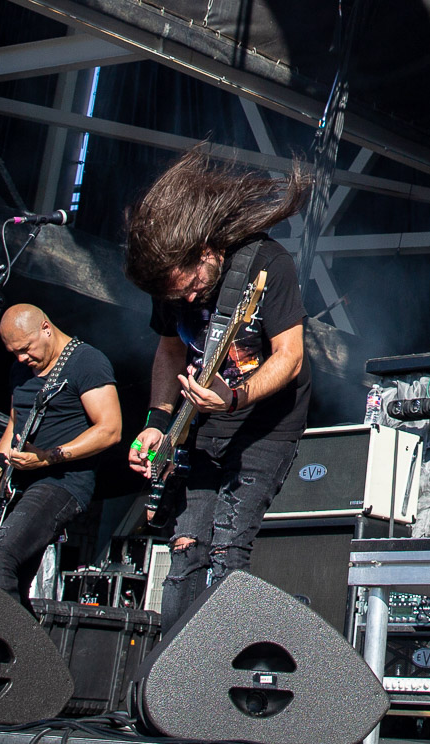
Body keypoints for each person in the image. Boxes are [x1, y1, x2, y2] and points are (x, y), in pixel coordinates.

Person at [125, 148, 312, 624]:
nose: (188, 298)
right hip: (205, 422)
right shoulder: (172, 283)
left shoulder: (267, 264)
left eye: (190, 285)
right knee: (185, 553)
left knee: (229, 547)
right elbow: (170, 352)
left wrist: (236, 396)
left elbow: (289, 358)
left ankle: (219, 671)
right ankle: (170, 679)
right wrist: (156, 423)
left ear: (206, 252)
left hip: (266, 423)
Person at [0, 304, 121, 604]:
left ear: (46, 328)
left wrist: (48, 457)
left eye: (26, 349)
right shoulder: (22, 368)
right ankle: (18, 647)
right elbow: (16, 423)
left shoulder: (86, 361)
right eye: (14, 352)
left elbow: (110, 429)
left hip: (63, 483)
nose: (21, 358)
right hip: (23, 485)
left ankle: (12, 648)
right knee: (13, 578)